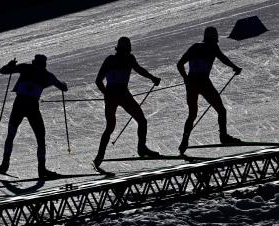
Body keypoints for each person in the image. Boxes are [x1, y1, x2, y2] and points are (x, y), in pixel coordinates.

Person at [93, 37, 162, 170]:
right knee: (141, 121)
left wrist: (106, 94)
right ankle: (141, 148)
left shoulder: (110, 60)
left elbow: (98, 80)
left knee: (110, 127)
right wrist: (152, 78)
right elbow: (140, 70)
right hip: (123, 95)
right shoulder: (129, 58)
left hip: (112, 96)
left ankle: (99, 157)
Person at [0, 55, 68, 179]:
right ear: (44, 64)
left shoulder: (25, 67)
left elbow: (3, 71)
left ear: (34, 62)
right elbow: (63, 88)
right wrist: (63, 84)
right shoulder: (47, 75)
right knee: (40, 137)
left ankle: (4, 165)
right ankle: (41, 169)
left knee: (11, 134)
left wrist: (9, 65)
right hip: (32, 106)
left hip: (19, 104)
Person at [177, 26, 242, 155]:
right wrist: (235, 67)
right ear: (214, 38)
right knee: (221, 111)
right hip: (203, 82)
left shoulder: (194, 46)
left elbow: (179, 64)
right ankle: (223, 137)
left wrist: (186, 78)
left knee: (192, 114)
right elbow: (223, 59)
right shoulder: (212, 47)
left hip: (191, 83)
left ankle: (184, 141)